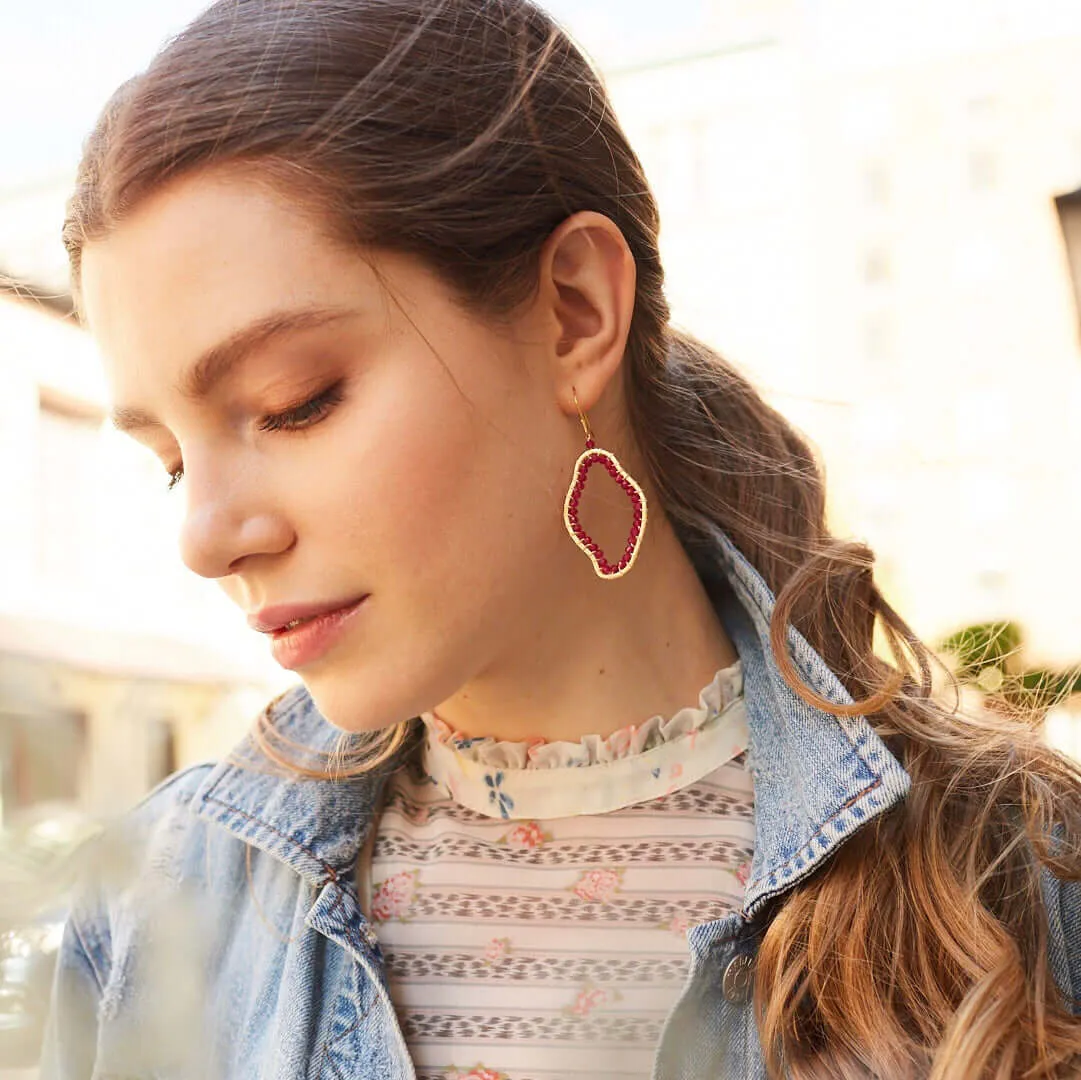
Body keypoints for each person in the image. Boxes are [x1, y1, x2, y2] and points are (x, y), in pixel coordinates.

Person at [40, 1, 1081, 1077]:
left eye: (294, 401)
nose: (206, 538)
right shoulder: (150, 908)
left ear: (576, 313)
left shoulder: (1030, 876)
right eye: (171, 458)